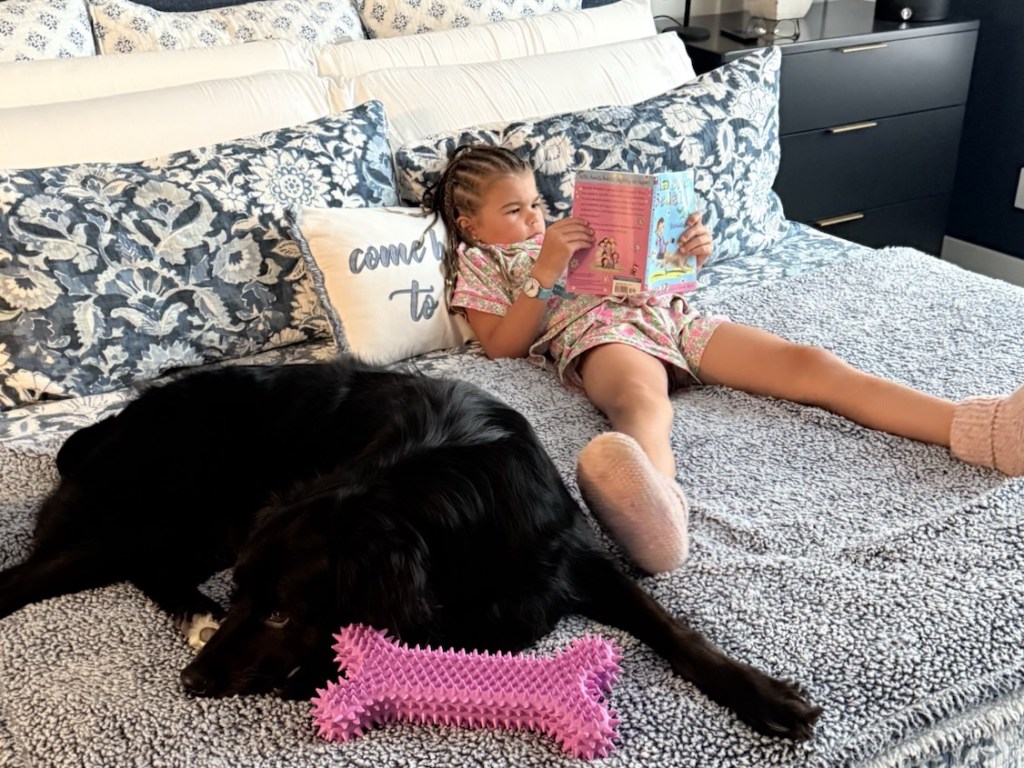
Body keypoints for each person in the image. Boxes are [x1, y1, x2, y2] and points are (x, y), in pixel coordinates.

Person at [424, 144, 1024, 575]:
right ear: (469, 225)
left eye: (536, 203)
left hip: (673, 317)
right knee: (641, 401)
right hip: (601, 336)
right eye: (515, 212)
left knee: (810, 364)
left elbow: (647, 271)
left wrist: (686, 251)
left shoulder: (573, 228)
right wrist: (546, 267)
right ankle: (660, 510)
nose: (535, 218)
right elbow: (501, 345)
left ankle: (981, 430)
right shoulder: (482, 262)